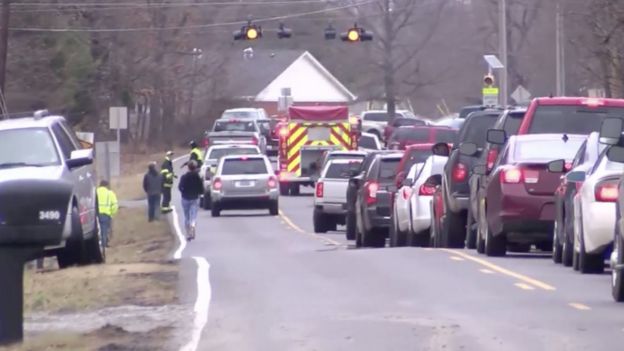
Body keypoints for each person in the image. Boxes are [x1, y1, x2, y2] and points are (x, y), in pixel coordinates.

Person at [178, 160, 204, 241]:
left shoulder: (184, 177)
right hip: (194, 198)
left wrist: (183, 192)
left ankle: (188, 233)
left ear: (188, 167)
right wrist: (200, 193)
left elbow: (180, 187)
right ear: (195, 167)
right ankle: (193, 224)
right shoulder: (197, 177)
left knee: (186, 216)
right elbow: (201, 188)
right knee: (193, 214)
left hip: (185, 198)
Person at [97, 180, 118, 248]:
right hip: (106, 214)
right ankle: (104, 245)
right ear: (106, 186)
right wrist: (112, 213)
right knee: (104, 230)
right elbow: (115, 205)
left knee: (97, 230)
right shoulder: (110, 193)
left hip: (96, 214)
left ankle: (98, 245)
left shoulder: (95, 192)